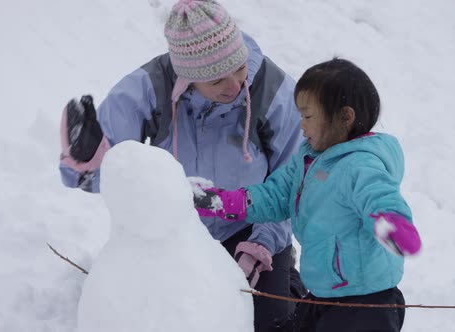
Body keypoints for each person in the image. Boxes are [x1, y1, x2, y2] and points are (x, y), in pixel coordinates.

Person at [58, 0, 306, 331]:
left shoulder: (273, 91)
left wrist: (260, 245)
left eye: (239, 69)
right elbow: (111, 176)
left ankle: (289, 282)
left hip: (250, 225)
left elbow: (293, 182)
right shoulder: (147, 89)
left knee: (267, 324)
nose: (234, 86)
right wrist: (85, 160)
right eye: (218, 80)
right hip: (173, 228)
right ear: (188, 75)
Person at [193, 58, 422, 332]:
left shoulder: (360, 165)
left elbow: (378, 196)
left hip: (365, 304)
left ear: (345, 117)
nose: (302, 126)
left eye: (309, 116)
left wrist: (393, 224)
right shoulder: (308, 158)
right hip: (324, 293)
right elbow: (275, 195)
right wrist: (222, 202)